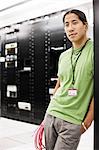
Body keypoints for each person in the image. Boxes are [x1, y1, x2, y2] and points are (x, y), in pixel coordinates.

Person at [44, 9, 94, 150]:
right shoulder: (64, 56)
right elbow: (60, 83)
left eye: (74, 23)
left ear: (85, 25)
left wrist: (87, 122)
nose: (70, 28)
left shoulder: (93, 51)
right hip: (52, 114)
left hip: (72, 119)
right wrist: (49, 108)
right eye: (66, 24)